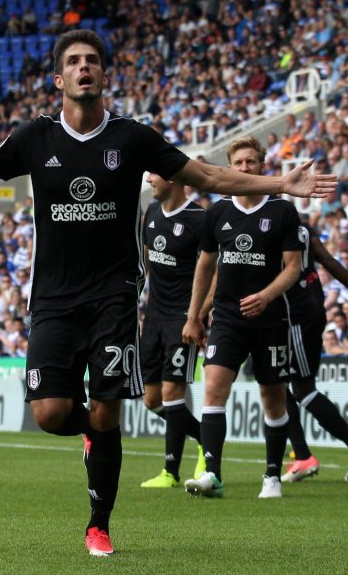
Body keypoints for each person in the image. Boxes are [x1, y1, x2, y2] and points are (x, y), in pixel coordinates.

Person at [0, 30, 335, 558]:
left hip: (114, 297)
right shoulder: (36, 138)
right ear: (59, 79)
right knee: (52, 413)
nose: (84, 68)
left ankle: (98, 524)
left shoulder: (133, 138)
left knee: (107, 411)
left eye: (92, 61)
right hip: (53, 299)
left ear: (104, 76)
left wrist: (282, 185)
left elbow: (213, 176)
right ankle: (90, 437)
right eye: (74, 62)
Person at [182, 136, 304, 500]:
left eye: (252, 162)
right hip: (227, 319)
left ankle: (272, 476)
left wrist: (267, 295)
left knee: (273, 399)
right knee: (214, 391)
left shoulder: (282, 211)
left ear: (262, 165)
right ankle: (213, 475)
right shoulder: (217, 213)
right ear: (230, 168)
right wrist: (194, 316)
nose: (246, 168)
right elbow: (205, 265)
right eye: (239, 163)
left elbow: (294, 267)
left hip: (271, 319)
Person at [279, 213, 348, 483]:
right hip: (301, 311)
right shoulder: (297, 223)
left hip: (296, 315)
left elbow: (324, 259)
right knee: (281, 384)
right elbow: (327, 259)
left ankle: (306, 456)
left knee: (295, 387)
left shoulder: (274, 223)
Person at [138, 171, 208, 489]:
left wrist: (197, 315)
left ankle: (170, 472)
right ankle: (207, 438)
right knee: (151, 400)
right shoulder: (151, 212)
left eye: (155, 174)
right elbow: (148, 262)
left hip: (182, 317)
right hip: (153, 316)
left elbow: (214, 270)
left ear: (175, 180)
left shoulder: (199, 219)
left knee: (171, 393)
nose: (150, 180)